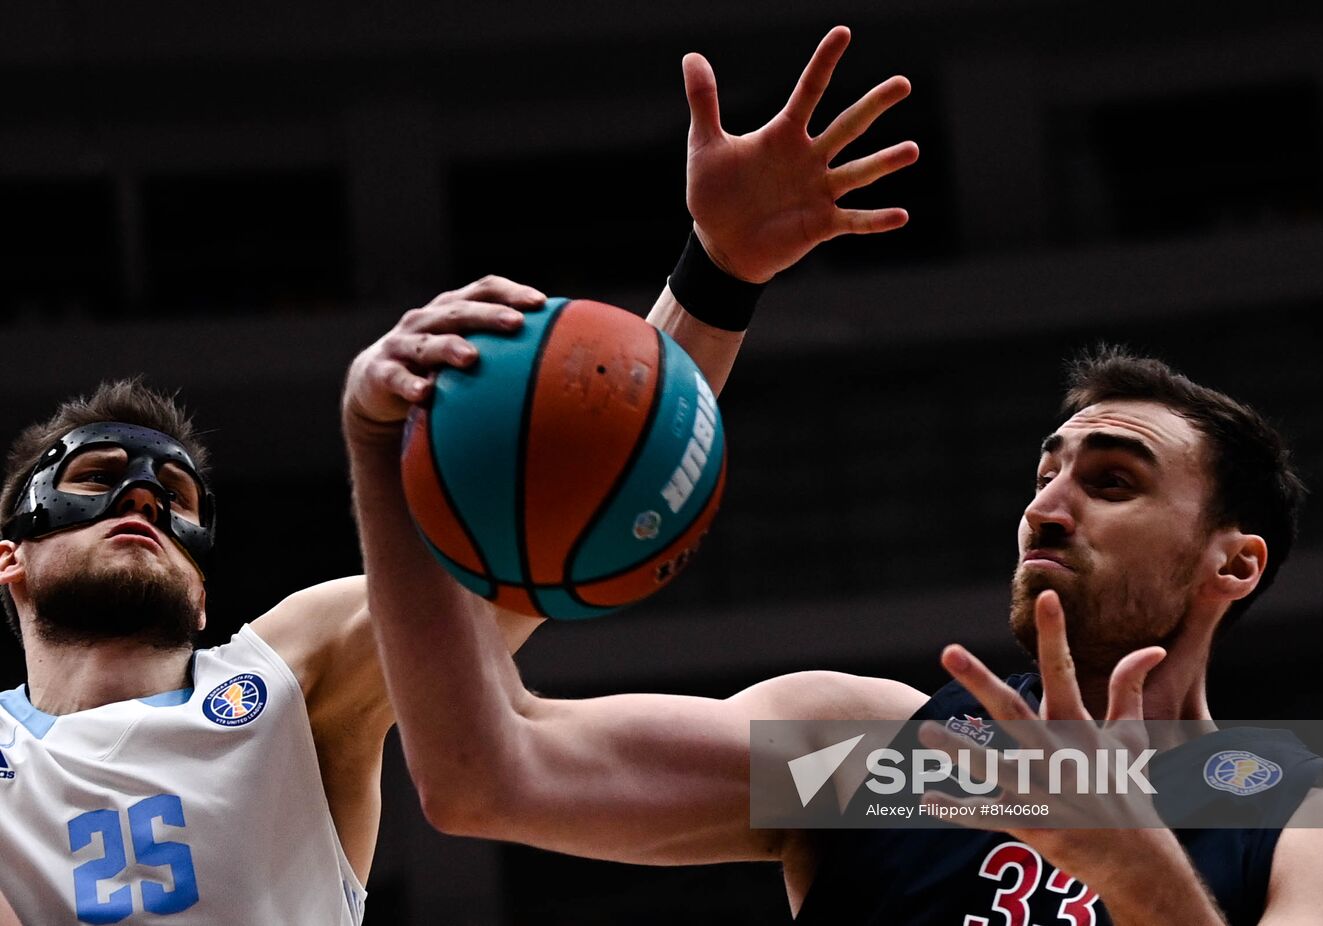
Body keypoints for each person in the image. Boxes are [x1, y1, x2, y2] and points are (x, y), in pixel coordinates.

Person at [0, 26, 916, 923]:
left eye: (178, 499)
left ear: (201, 596)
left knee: (880, 753)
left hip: (1029, 779)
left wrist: (717, 275)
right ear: (13, 560)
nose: (144, 500)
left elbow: (548, 530)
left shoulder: (289, 672)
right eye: (98, 477)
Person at [349, 339, 1323, 915]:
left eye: (1111, 480)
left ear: (1235, 559)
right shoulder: (875, 758)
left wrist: (1135, 868)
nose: (1046, 503)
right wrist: (383, 450)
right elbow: (488, 770)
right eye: (1043, 473)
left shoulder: (1321, 830)